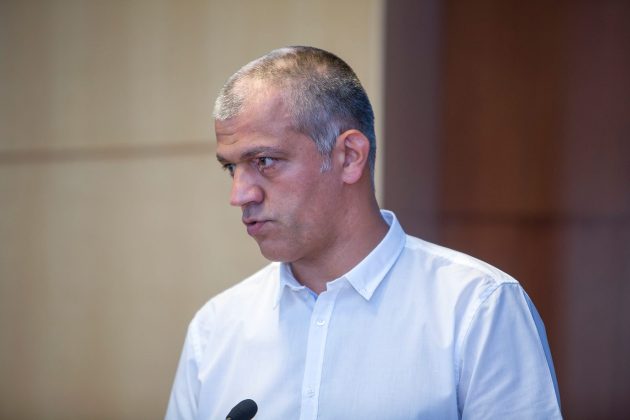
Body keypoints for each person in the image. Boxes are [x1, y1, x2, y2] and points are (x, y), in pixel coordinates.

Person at [166, 46, 562, 419]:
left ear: (349, 156)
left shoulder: (478, 308)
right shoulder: (215, 327)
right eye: (230, 168)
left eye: (265, 161)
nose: (239, 195)